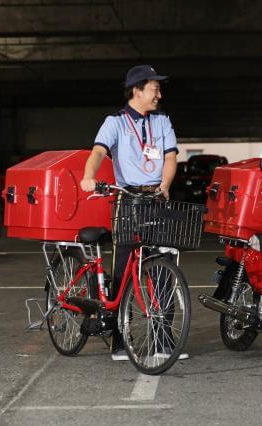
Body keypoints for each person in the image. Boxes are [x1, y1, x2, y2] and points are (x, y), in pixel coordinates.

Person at [80, 64, 185, 361]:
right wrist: (89, 176)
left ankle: (163, 340)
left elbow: (170, 156)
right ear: (136, 90)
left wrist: (165, 185)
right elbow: (98, 152)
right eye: (154, 89)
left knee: (163, 266)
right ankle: (120, 341)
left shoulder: (162, 120)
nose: (159, 95)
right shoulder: (115, 122)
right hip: (127, 200)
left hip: (156, 198)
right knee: (125, 267)